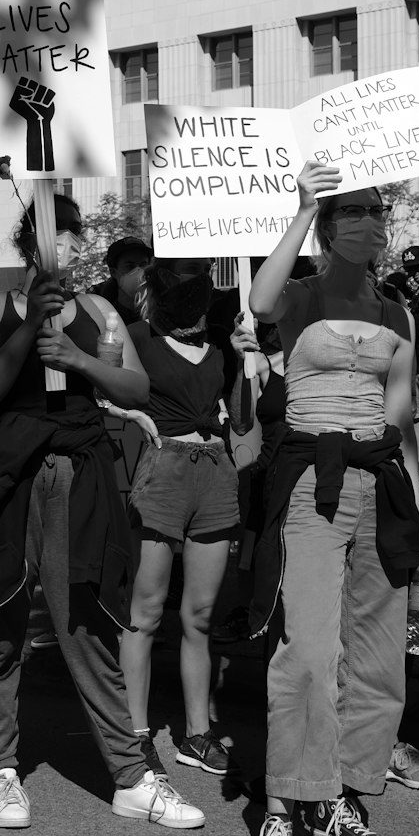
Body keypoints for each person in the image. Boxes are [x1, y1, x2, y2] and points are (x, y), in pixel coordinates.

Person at [0, 191, 204, 831]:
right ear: (31, 243)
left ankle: (131, 778)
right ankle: (0, 769)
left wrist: (79, 360)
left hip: (77, 477)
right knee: (0, 624)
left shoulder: (103, 311)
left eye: (79, 237)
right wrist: (30, 329)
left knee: (85, 625)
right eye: (64, 236)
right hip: (6, 478)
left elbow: (137, 386)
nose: (75, 248)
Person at [247, 163, 419, 836]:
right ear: (328, 226)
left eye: (377, 213)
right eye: (351, 213)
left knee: (381, 658)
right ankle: (280, 813)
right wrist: (301, 207)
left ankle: (340, 797)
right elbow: (260, 299)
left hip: (382, 488)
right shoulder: (298, 293)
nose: (369, 223)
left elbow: (403, 415)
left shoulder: (397, 313)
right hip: (312, 488)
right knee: (309, 653)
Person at [117, 258, 256, 778]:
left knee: (200, 616)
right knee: (146, 611)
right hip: (165, 471)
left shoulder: (225, 340)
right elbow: (98, 386)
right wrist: (129, 412)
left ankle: (197, 735)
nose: (193, 296)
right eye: (183, 286)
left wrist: (247, 363)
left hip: (217, 473)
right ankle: (134, 734)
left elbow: (240, 417)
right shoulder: (138, 336)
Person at [88, 237, 152, 327]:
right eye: (130, 266)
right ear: (113, 272)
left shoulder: (161, 311)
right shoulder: (98, 313)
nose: (139, 271)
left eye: (143, 265)